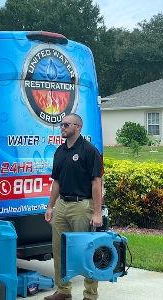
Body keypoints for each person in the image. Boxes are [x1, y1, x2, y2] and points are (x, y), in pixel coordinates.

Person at [44, 113, 103, 300]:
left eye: (66, 124)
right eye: (61, 124)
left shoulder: (89, 150)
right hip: (62, 205)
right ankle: (63, 290)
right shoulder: (59, 152)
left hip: (82, 206)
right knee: (59, 249)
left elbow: (96, 183)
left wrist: (97, 212)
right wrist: (50, 207)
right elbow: (56, 182)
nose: (62, 127)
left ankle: (90, 294)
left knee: (86, 250)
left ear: (78, 127)